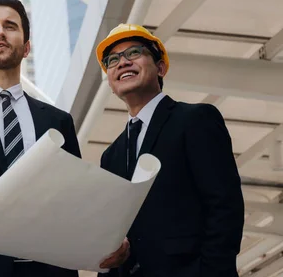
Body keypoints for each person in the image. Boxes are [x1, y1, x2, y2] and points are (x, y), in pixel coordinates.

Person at [0, 0, 129, 277]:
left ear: (27, 46)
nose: (0, 32)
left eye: (10, 26)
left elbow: (74, 197)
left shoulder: (58, 121)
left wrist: (106, 238)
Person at [96, 24, 244, 277]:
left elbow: (225, 206)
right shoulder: (111, 156)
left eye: (133, 53)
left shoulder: (195, 120)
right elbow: (116, 233)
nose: (122, 63)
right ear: (110, 82)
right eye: (112, 60)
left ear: (161, 67)